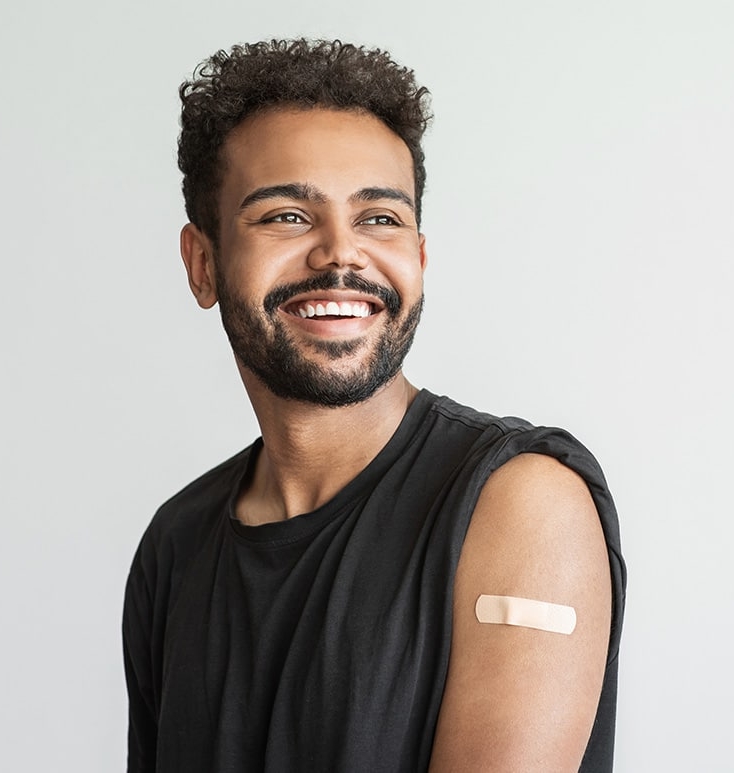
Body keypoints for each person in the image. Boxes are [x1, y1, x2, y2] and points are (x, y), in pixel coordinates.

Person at [123, 39, 625, 772]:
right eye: (287, 216)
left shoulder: (520, 504)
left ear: (419, 260)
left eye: (380, 219)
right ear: (203, 263)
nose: (341, 254)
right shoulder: (176, 544)